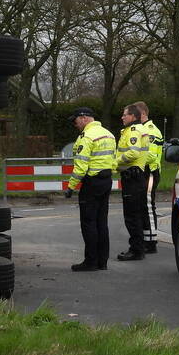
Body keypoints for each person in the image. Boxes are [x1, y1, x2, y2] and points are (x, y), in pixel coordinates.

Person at [65, 107, 116, 271]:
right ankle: (103, 261)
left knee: (89, 222)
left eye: (76, 120)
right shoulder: (109, 134)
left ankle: (91, 261)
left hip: (92, 182)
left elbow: (80, 166)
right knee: (102, 222)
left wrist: (71, 187)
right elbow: (113, 161)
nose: (75, 124)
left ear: (85, 118)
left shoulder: (86, 137)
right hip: (106, 180)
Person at [115, 104, 150, 260]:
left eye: (125, 114)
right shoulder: (137, 130)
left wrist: (115, 162)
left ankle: (136, 250)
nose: (122, 117)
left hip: (132, 177)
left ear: (133, 117)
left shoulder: (133, 131)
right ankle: (138, 248)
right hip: (136, 176)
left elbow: (133, 153)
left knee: (131, 215)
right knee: (136, 214)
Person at [134, 100, 163, 254]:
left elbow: (151, 155)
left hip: (150, 171)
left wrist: (133, 158)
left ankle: (151, 242)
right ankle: (147, 239)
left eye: (136, 114)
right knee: (143, 206)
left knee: (148, 206)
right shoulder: (143, 129)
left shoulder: (150, 130)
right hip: (145, 171)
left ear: (143, 114)